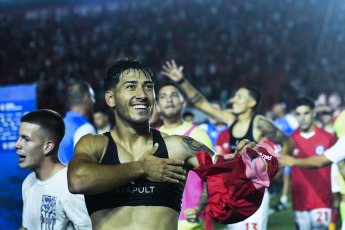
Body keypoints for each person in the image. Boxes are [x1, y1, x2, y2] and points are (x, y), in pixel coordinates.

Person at [67, 58, 277, 230]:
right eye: (131, 87)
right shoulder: (94, 144)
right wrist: (142, 168)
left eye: (148, 87)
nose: (142, 94)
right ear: (110, 98)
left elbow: (228, 174)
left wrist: (253, 161)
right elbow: (77, 181)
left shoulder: (179, 146)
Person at [162, 59, 294, 230]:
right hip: (233, 190)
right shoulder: (231, 120)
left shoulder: (260, 124)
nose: (233, 100)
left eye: (239, 97)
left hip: (253, 192)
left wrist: (275, 174)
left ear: (252, 103)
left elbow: (288, 143)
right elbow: (202, 104)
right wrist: (181, 81)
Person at [15, 109, 92, 230]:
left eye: (26, 139)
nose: (17, 144)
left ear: (47, 147)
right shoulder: (28, 182)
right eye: (19, 137)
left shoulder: (71, 187)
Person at [155, 81, 213, 229]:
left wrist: (199, 208)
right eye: (163, 96)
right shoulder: (151, 137)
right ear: (157, 106)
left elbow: (212, 176)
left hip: (189, 222)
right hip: (157, 221)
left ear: (184, 103)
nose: (169, 99)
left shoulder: (198, 135)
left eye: (174, 95)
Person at [289, 97, 337, 229]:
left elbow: (341, 166)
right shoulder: (290, 141)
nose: (302, 118)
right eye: (298, 114)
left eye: (306, 113)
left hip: (322, 201)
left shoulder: (328, 138)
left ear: (314, 113)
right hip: (300, 203)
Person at [58, 81, 97, 164]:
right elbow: (87, 170)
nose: (94, 101)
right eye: (93, 97)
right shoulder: (85, 128)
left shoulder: (58, 125)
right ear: (87, 99)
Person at [271, 102, 298, 211]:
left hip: (294, 150)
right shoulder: (276, 122)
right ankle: (284, 199)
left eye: (277, 107)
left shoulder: (290, 118)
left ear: (282, 108)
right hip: (283, 152)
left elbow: (297, 131)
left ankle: (285, 199)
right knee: (285, 175)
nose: (275, 110)